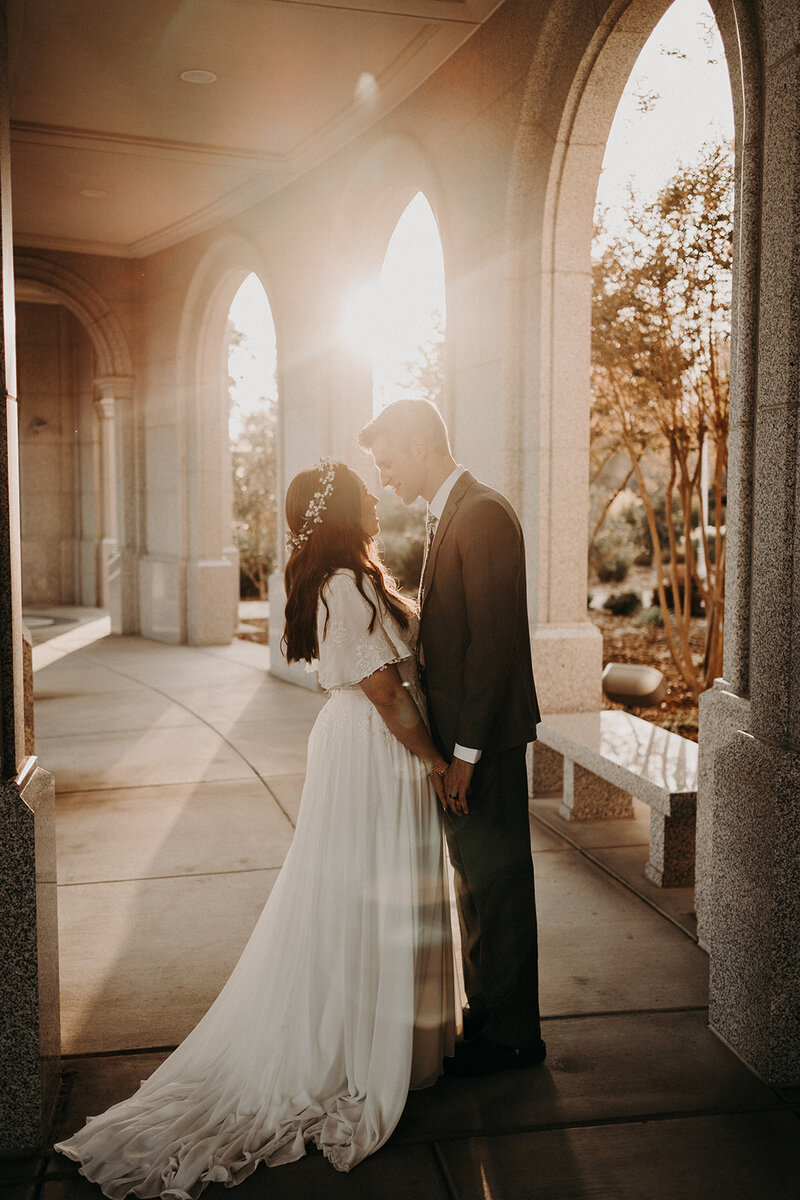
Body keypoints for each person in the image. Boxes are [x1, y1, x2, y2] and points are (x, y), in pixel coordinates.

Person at [55, 459, 456, 1197]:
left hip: (360, 744)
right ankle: (359, 1050)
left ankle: (388, 1039)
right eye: (363, 490)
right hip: (376, 746)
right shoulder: (345, 583)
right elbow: (382, 689)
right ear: (339, 511)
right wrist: (432, 758)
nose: (375, 495)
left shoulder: (344, 577)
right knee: (370, 891)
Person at [359, 399, 545, 1078]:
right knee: (475, 885)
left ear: (416, 445)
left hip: (484, 744)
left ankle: (515, 1035)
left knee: (496, 887)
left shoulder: (484, 514)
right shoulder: (452, 512)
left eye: (386, 462)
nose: (383, 480)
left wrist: (463, 755)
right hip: (467, 740)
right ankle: (493, 1020)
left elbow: (492, 650)